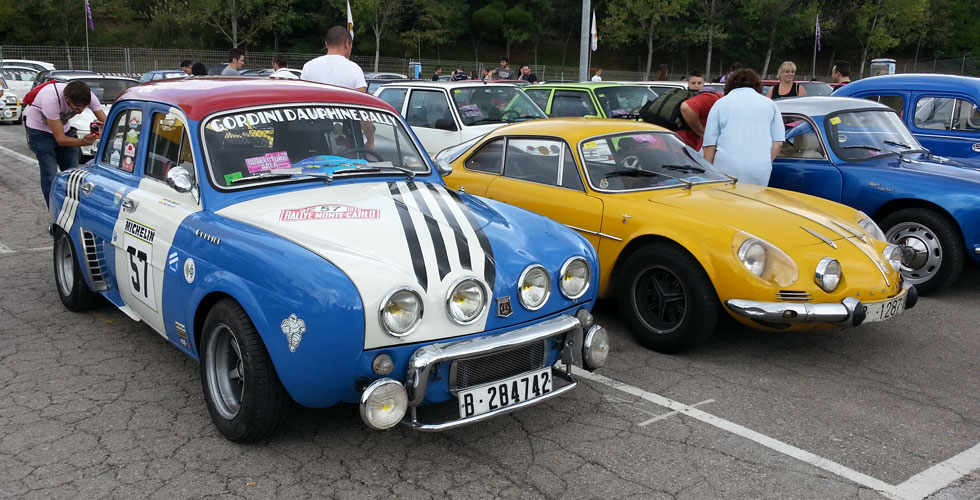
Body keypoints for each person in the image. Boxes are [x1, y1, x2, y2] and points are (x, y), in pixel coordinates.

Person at [25, 80, 107, 207]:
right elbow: (61, 140)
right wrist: (83, 142)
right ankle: (53, 212)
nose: (80, 111)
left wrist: (106, 127)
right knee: (50, 173)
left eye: (84, 107)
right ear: (67, 99)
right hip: (39, 130)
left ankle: (72, 208)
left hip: (63, 128)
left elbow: (107, 121)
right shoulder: (51, 99)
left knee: (73, 172)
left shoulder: (89, 96)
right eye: (77, 107)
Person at [702, 68, 784, 185]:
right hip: (759, 168)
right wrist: (765, 162)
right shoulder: (770, 105)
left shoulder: (721, 104)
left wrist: (708, 174)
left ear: (730, 84)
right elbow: (778, 143)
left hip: (726, 167)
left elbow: (709, 144)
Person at [301, 26, 368, 92]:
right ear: (347, 43)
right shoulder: (355, 70)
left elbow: (302, 94)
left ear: (326, 44)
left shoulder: (308, 67)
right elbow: (362, 98)